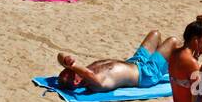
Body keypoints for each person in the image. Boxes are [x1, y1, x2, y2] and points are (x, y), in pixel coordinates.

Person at [54, 29, 183, 93]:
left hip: (136, 61)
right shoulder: (95, 83)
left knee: (155, 34)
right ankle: (187, 63)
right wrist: (74, 66)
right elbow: (90, 74)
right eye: (72, 71)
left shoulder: (84, 72)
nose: (74, 68)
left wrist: (65, 60)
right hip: (145, 74)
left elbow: (59, 56)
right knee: (173, 41)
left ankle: (164, 65)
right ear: (76, 82)